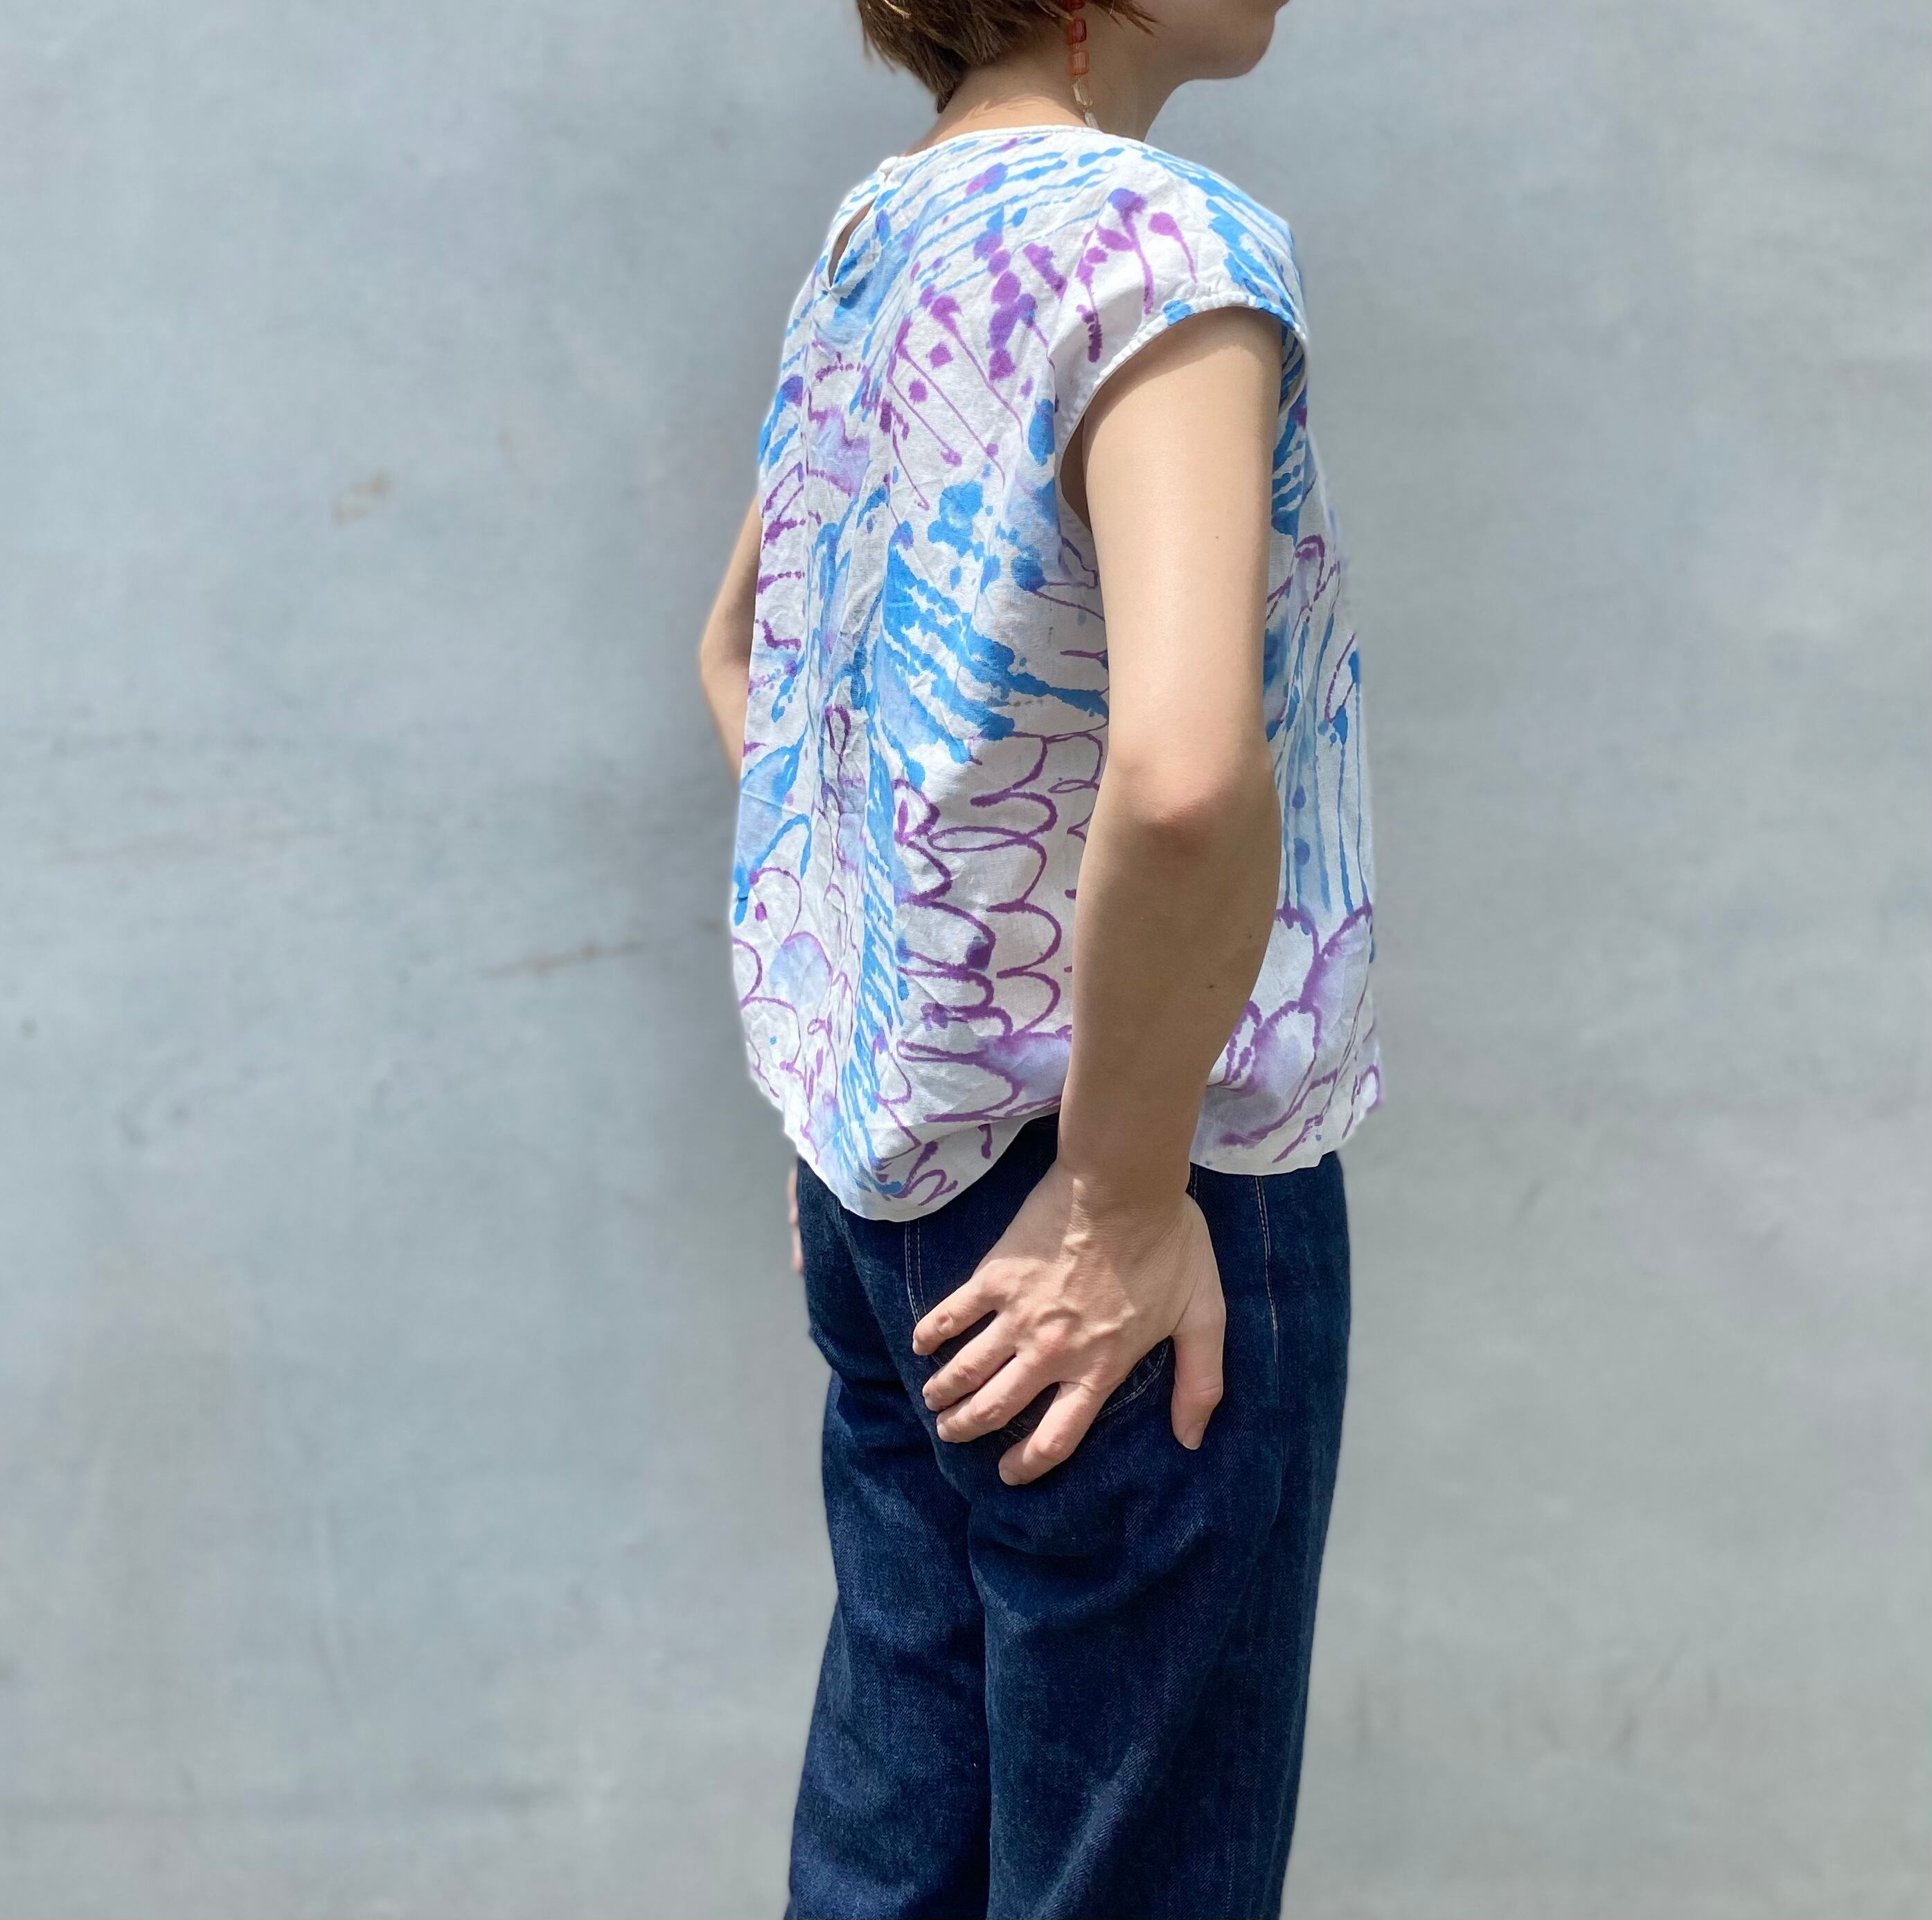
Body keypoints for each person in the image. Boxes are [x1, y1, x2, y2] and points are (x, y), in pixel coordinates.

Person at [696, 3, 1381, 1913]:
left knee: (891, 1857)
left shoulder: (879, 241)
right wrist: (1121, 1197)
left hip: (899, 1202)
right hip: (1126, 1203)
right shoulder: (1166, 248)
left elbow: (749, 661)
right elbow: (1184, 778)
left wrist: (869, 1035)